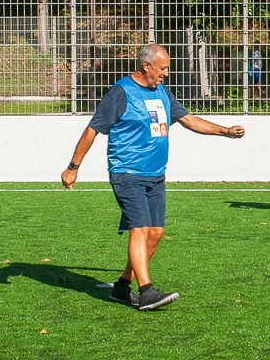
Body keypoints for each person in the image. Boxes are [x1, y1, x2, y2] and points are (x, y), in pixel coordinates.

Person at [60, 43, 245, 311]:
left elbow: (188, 120)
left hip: (155, 175)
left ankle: (122, 287)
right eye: (163, 68)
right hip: (127, 173)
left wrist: (224, 131)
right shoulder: (120, 93)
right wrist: (73, 166)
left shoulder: (162, 93)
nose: (166, 73)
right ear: (146, 65)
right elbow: (93, 130)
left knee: (155, 233)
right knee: (141, 228)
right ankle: (146, 291)